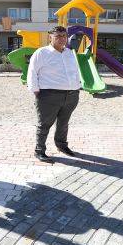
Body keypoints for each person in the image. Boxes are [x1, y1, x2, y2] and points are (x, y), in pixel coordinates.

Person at [27, 25, 81, 163]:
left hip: (71, 95)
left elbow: (74, 71)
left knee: (64, 123)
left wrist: (77, 86)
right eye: (57, 36)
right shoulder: (42, 53)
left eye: (64, 36)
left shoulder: (69, 53)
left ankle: (62, 145)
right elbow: (32, 72)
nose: (61, 39)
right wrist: (35, 90)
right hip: (49, 95)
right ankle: (39, 150)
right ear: (50, 37)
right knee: (44, 124)